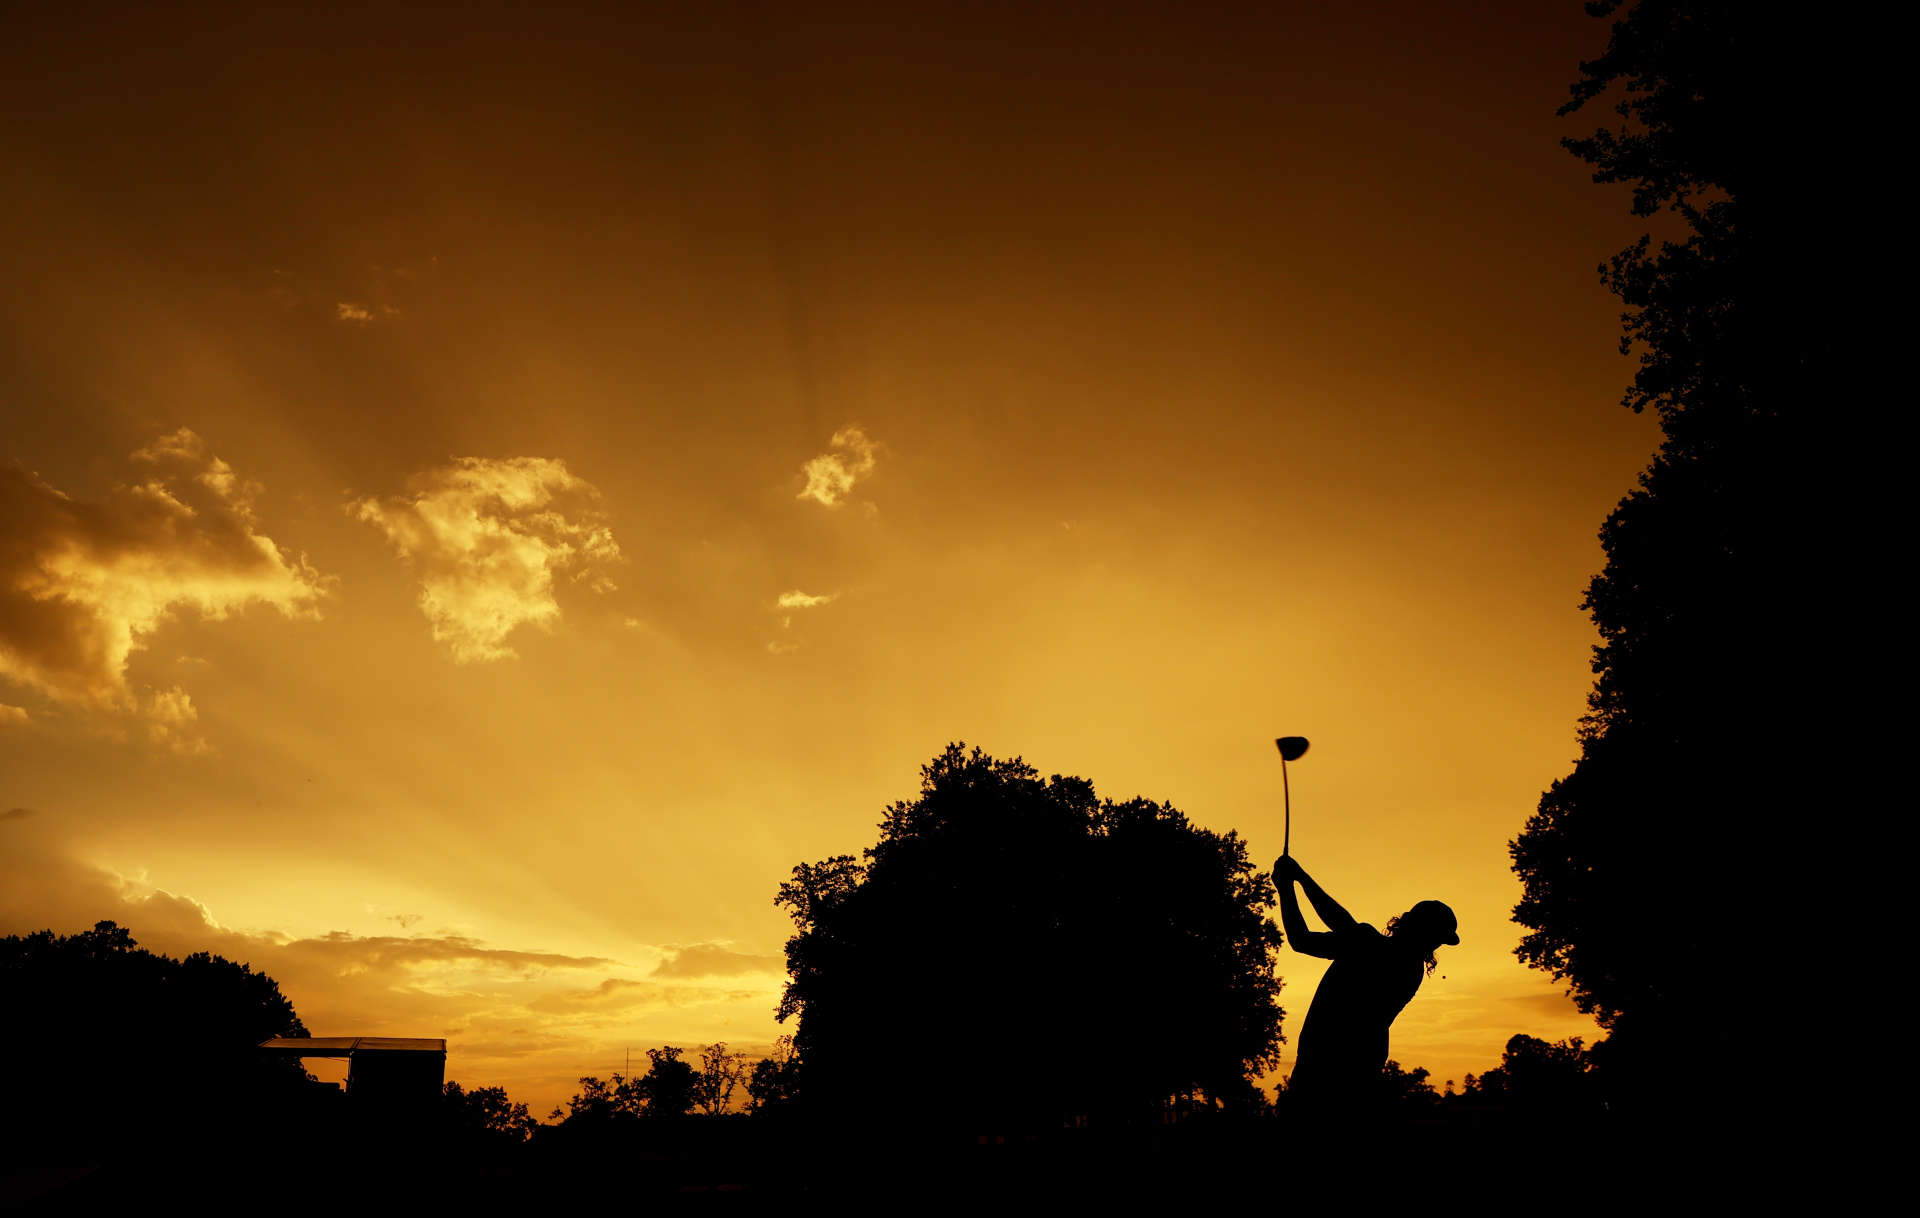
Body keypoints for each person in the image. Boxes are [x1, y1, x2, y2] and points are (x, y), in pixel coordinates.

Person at [1273, 854, 1458, 1115]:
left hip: (1331, 1075)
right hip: (1343, 1076)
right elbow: (1302, 939)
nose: (1436, 945)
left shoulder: (1397, 963)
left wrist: (1295, 880)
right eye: (1437, 938)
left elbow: (1336, 924)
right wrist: (1289, 886)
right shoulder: (1375, 949)